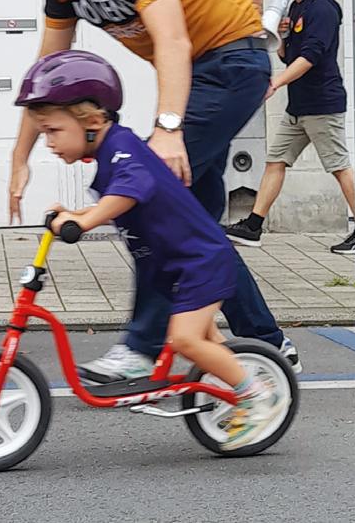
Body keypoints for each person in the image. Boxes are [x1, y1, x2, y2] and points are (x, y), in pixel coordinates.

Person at [0, 0, 300, 382]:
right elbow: (46, 74)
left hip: (231, 61)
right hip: (198, 74)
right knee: (195, 226)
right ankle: (267, 346)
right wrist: (20, 157)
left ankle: (142, 345)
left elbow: (173, 40)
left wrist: (168, 128)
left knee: (151, 197)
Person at [16, 50, 282, 450]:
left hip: (200, 261)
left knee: (184, 340)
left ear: (91, 120)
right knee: (207, 342)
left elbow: (131, 189)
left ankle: (257, 397)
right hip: (177, 266)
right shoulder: (110, 154)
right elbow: (121, 200)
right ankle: (238, 381)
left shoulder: (123, 148)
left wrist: (85, 221)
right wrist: (75, 214)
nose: (49, 142)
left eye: (53, 131)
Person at [224, 0, 355, 255]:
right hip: (298, 107)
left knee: (339, 167)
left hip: (322, 105)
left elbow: (311, 57)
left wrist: (275, 82)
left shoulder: (322, 7)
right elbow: (289, 56)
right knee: (276, 161)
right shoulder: (296, 8)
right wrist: (282, 35)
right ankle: (253, 227)